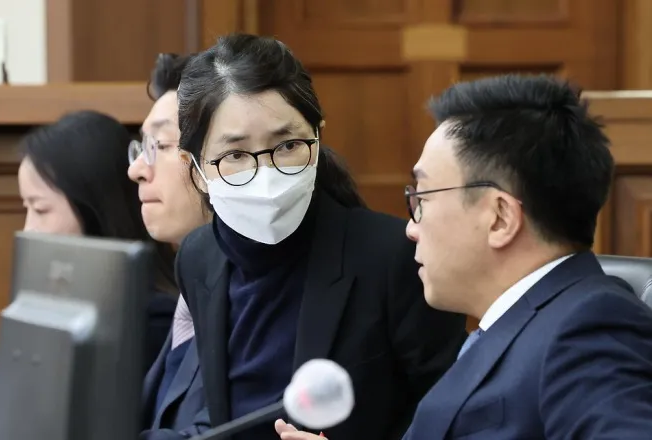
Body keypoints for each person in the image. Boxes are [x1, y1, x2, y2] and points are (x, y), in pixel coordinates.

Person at [175, 33, 468, 440]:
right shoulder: (197, 257)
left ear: (318, 137)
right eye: (235, 155)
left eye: (288, 145)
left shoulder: (394, 257)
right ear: (195, 170)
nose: (266, 173)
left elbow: (460, 419)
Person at [395, 75, 652, 439]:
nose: (411, 228)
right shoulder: (518, 325)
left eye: (422, 198)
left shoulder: (589, 327)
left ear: (500, 217)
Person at [18, 110, 178, 372]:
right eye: (26, 208)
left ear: (93, 209)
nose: (28, 229)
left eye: (40, 209)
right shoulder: (59, 302)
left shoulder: (149, 320)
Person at [128, 52, 212, 439]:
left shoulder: (256, 300)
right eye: (141, 147)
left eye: (159, 145)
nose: (136, 169)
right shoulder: (193, 285)